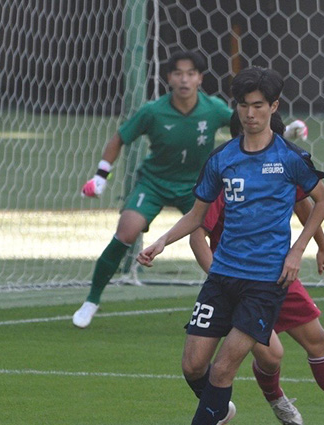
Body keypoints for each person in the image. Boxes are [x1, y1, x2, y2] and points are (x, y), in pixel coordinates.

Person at [137, 66, 324, 425]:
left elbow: (322, 200)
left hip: (264, 281)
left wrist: (298, 250)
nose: (250, 114)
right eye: (243, 106)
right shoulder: (222, 158)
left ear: (273, 106)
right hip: (223, 276)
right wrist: (162, 241)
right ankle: (218, 407)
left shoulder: (290, 158)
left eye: (258, 106)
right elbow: (197, 215)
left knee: (223, 368)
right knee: (194, 366)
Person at [189, 110, 324, 425]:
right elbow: (197, 234)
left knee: (318, 340)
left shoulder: (281, 165)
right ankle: (270, 398)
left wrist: (322, 245)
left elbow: (304, 203)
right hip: (235, 280)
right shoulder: (225, 176)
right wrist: (218, 278)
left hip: (277, 275)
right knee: (269, 355)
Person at [72, 51, 234, 328]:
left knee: (208, 237)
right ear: (169, 78)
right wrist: (101, 175)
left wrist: (283, 131)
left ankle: (230, 297)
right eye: (178, 73)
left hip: (196, 187)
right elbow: (119, 138)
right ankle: (91, 300)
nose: (184, 79)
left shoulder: (214, 109)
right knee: (126, 231)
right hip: (154, 183)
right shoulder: (153, 111)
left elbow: (244, 125)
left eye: (191, 73)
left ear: (200, 78)